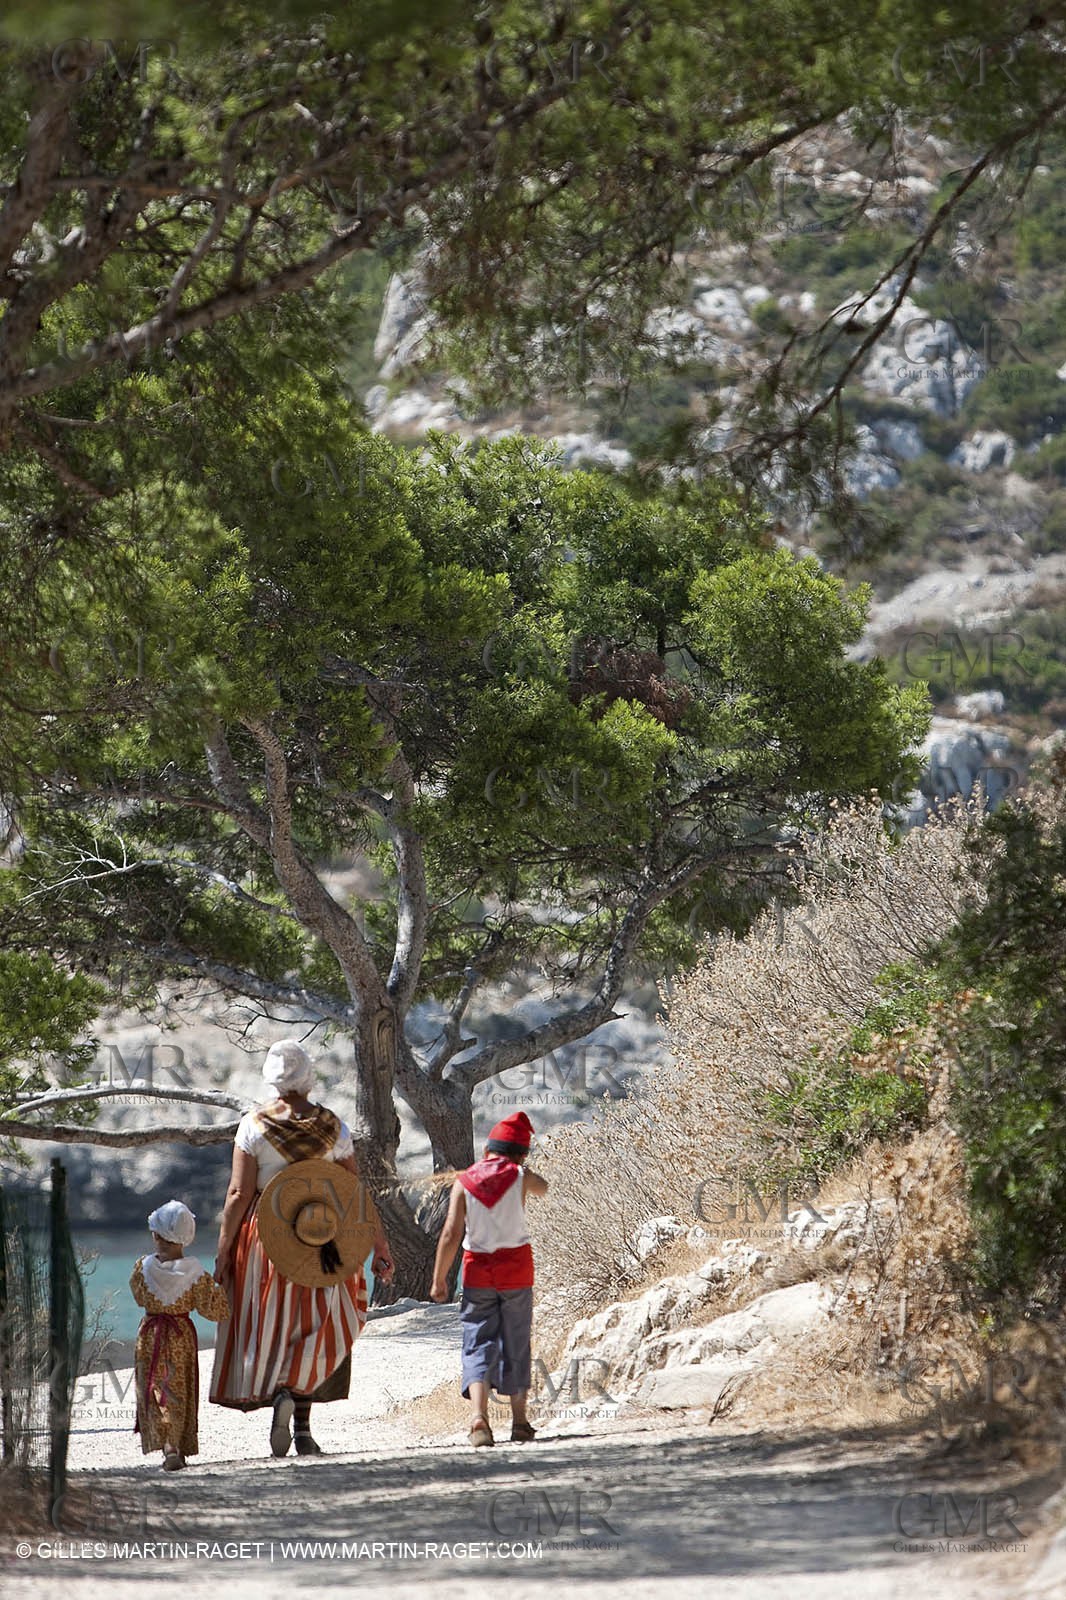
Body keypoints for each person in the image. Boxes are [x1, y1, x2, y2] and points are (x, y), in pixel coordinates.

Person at [209, 1039, 394, 1456]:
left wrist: (224, 1249)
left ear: (272, 1081)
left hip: (267, 1237)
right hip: (322, 1235)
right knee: (316, 1325)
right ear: (308, 1079)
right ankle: (304, 1429)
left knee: (274, 1325)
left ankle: (280, 1393)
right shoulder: (334, 1126)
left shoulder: (254, 1125)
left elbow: (239, 1192)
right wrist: (378, 1243)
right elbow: (354, 1193)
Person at [429, 1110, 548, 1448]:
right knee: (516, 1342)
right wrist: (522, 1169)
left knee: (478, 1341)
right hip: (517, 1272)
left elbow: (451, 1233)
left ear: (486, 1152)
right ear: (521, 1154)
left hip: (478, 1272)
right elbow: (545, 1188)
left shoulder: (463, 1181)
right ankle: (520, 1422)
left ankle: (478, 1418)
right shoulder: (521, 1176)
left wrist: (439, 1280)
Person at [130, 1200, 230, 1471]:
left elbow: (139, 1296)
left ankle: (165, 1443)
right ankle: (176, 1443)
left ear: (156, 1235)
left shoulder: (143, 1268)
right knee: (178, 1387)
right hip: (181, 1335)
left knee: (155, 1387)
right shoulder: (196, 1272)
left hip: (150, 1334)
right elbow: (215, 1310)